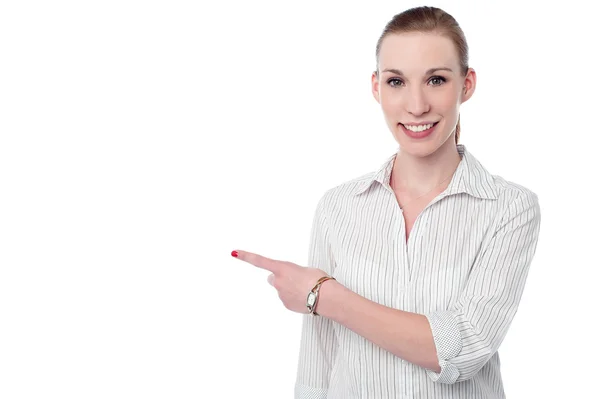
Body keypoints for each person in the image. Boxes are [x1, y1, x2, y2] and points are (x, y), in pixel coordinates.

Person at [232, 6, 541, 398]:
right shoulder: (339, 206)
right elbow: (319, 361)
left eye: (436, 80)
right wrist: (318, 301)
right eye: (397, 81)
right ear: (376, 87)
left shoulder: (509, 208)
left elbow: (463, 348)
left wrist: (323, 295)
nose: (416, 105)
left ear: (467, 84)